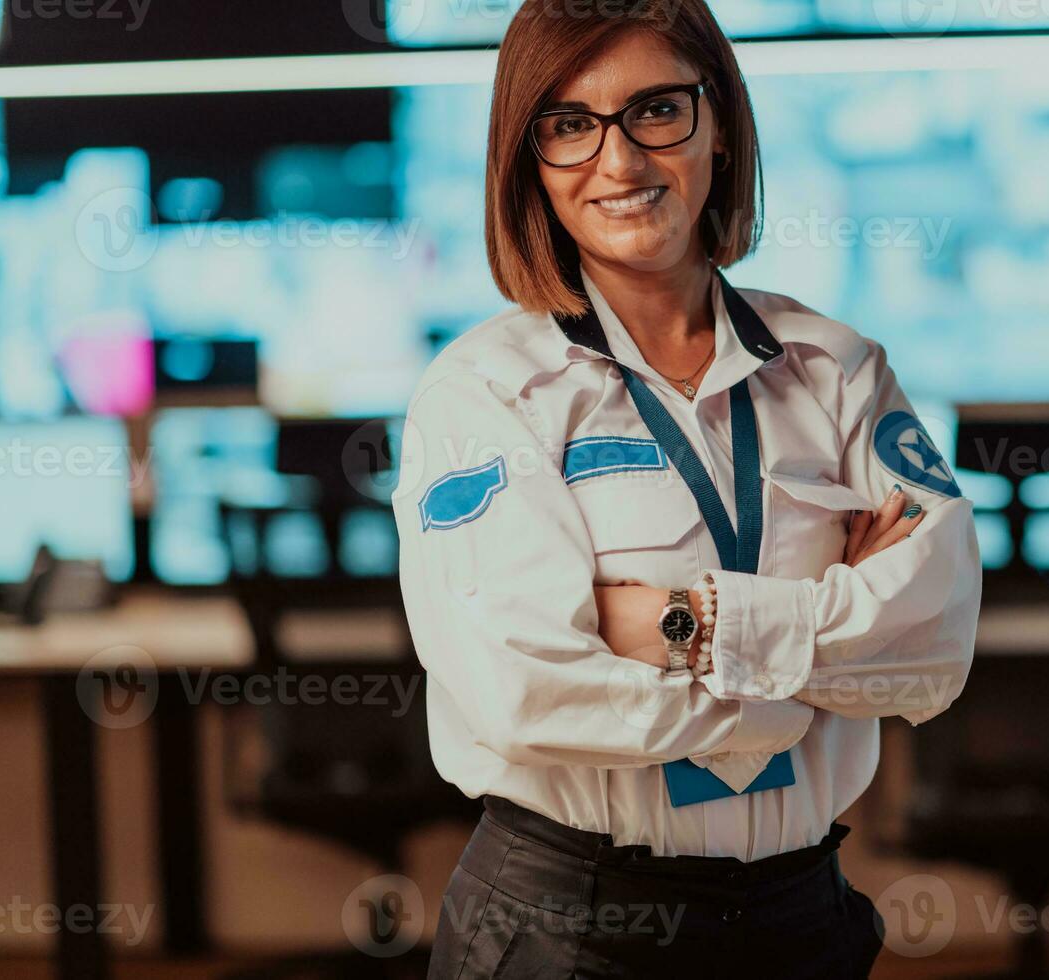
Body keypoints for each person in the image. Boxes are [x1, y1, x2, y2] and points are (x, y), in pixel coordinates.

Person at [392, 1, 982, 976]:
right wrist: (804, 681)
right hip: (577, 927)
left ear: (719, 126)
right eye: (569, 124)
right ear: (527, 159)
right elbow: (526, 690)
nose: (619, 162)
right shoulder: (486, 392)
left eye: (656, 110)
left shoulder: (835, 371)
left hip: (800, 916)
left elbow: (933, 641)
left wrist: (679, 623)